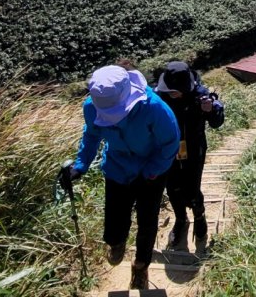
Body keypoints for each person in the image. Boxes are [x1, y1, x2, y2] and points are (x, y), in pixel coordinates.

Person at [69, 64, 180, 290]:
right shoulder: (92, 107)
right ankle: (116, 243)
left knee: (147, 219)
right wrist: (80, 165)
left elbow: (170, 144)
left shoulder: (154, 108)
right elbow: (91, 135)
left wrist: (153, 170)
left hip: (151, 169)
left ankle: (140, 266)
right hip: (118, 166)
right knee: (114, 216)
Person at [154, 61, 225, 253]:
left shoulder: (200, 95)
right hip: (168, 150)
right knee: (172, 186)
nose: (171, 93)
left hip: (194, 149)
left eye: (175, 90)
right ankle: (181, 220)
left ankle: (199, 217)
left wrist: (211, 110)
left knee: (192, 186)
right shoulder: (159, 96)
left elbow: (217, 122)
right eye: (169, 89)